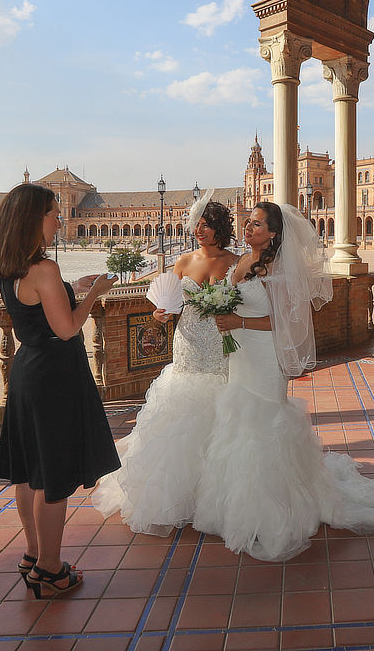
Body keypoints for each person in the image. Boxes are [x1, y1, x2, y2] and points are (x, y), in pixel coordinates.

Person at [194, 202, 374, 562]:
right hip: (241, 355)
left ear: (274, 233)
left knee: (264, 424)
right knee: (238, 422)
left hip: (264, 356)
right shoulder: (241, 263)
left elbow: (290, 325)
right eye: (248, 223)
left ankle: (273, 509)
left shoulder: (280, 270)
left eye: (257, 225)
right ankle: (238, 503)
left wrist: (239, 323)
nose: (248, 229)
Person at [0, 183, 120, 598]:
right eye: (54, 213)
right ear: (34, 219)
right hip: (54, 375)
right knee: (53, 476)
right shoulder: (44, 269)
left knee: (28, 472)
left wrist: (70, 288)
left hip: (27, 371)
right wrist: (94, 293)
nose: (60, 219)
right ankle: (52, 569)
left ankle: (32, 553)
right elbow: (66, 328)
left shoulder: (9, 265)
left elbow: (39, 309)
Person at [92, 193, 238, 533]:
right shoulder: (184, 261)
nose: (199, 231)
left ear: (220, 228)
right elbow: (170, 306)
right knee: (182, 407)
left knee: (219, 403)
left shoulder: (235, 262)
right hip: (187, 342)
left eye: (206, 226)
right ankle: (178, 491)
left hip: (220, 342)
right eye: (196, 226)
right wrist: (160, 314)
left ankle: (215, 490)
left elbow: (246, 304)